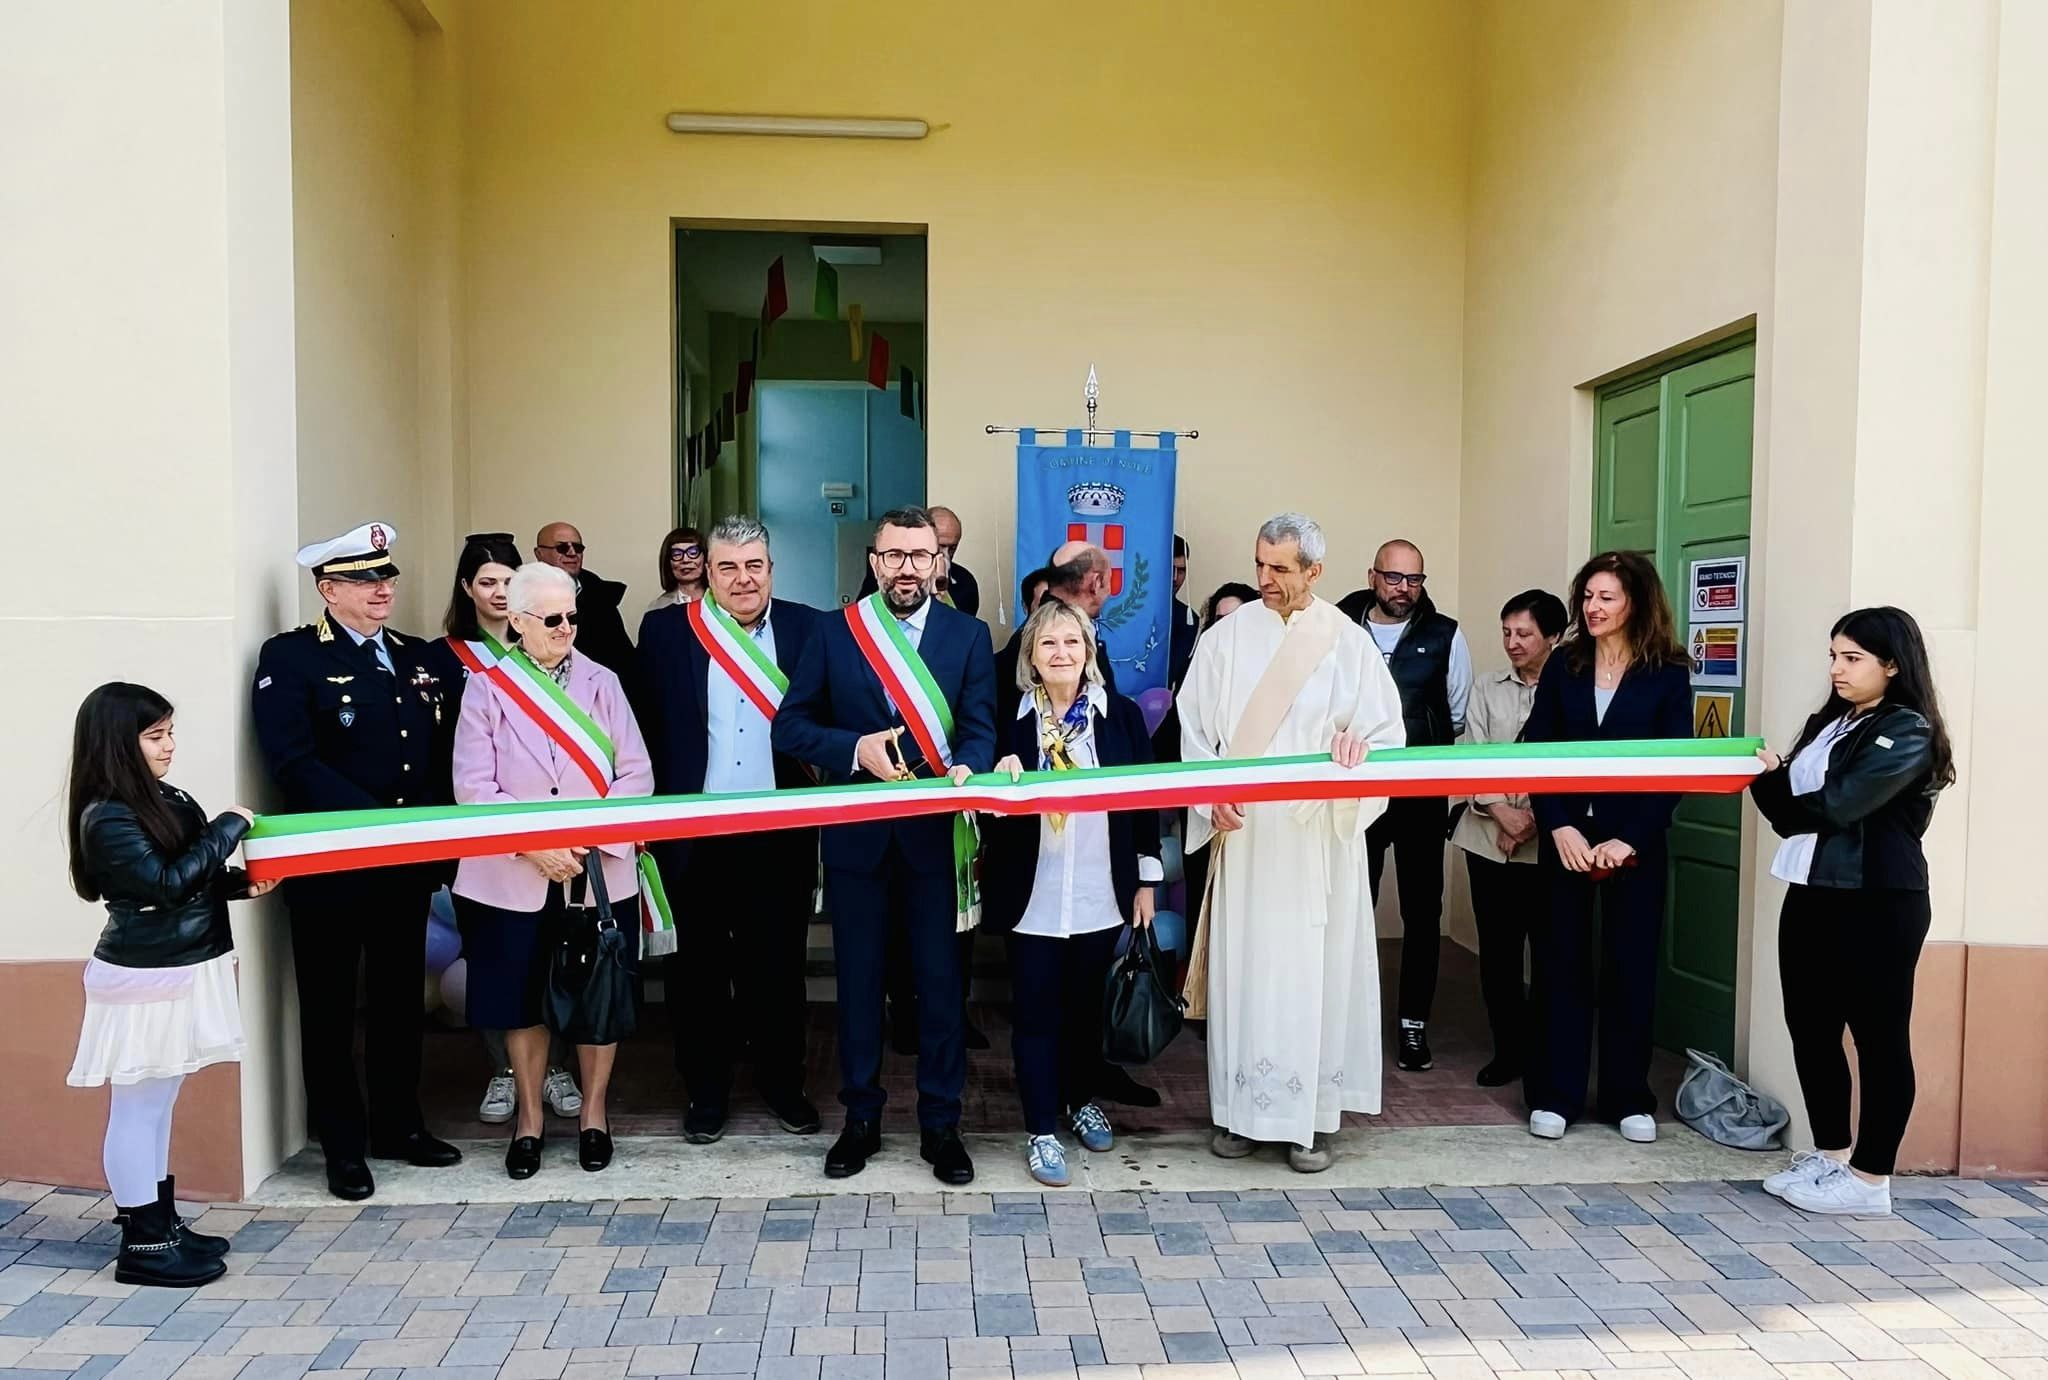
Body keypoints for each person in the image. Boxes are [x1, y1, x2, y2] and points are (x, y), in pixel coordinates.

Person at [774, 505, 997, 1184]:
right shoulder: (835, 631)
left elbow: (981, 729)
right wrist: (854, 749)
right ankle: (861, 1120)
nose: (906, 568)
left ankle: (941, 1124)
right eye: (893, 555)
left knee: (940, 988)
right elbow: (791, 727)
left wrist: (969, 766)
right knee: (860, 987)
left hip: (936, 839)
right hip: (858, 842)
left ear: (939, 563)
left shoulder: (968, 636)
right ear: (874, 562)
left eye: (919, 555)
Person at [1178, 513, 1406, 1172]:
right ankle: (1242, 1114)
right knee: (1248, 973)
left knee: (1313, 975)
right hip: (1248, 838)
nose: (1265, 578)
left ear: (1315, 570)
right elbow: (1194, 731)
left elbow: (1385, 734)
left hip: (1317, 841)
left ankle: (1310, 1120)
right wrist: (1210, 796)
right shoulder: (1224, 639)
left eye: (1280, 568)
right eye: (1260, 564)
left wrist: (1357, 748)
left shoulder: (1347, 642)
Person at [251, 522, 462, 1201]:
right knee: (331, 1008)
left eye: (386, 576)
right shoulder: (293, 657)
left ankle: (399, 1126)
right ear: (328, 589)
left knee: (399, 1001)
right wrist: (375, 825)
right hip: (333, 866)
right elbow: (292, 759)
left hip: (405, 865)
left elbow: (439, 755)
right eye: (365, 579)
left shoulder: (415, 656)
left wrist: (434, 837)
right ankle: (342, 1145)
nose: (382, 589)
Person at [450, 561, 654, 1178]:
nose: (566, 628)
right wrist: (533, 845)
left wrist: (585, 841)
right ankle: (531, 1121)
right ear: (517, 621)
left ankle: (594, 1115)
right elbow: (473, 787)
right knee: (523, 1001)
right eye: (552, 619)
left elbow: (637, 775)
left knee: (598, 999)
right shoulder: (487, 687)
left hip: (597, 873)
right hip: (514, 876)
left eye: (572, 617)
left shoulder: (603, 681)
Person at [1751, 607, 1954, 1217]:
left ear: (1892, 664)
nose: (1837, 669)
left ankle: (1870, 1180)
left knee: (1878, 1038)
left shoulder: (1907, 731)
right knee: (1811, 1030)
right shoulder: (1833, 721)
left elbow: (1836, 805)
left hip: (1878, 900)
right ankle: (1832, 1157)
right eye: (1833, 656)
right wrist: (1775, 780)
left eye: (1852, 658)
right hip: (1813, 889)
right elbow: (1792, 812)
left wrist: (1773, 780)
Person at [65, 684, 266, 1287]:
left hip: (183, 965)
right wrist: (229, 826)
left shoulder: (163, 798)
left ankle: (161, 1224)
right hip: (146, 976)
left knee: (158, 1104)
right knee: (138, 1108)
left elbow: (190, 876)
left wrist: (240, 883)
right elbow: (164, 884)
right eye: (155, 736)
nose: (169, 746)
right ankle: (145, 1245)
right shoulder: (108, 814)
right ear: (117, 744)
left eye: (170, 732)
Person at [635, 515, 822, 1145]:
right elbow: (647, 725)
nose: (743, 579)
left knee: (778, 968)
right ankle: (706, 1092)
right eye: (728, 567)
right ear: (708, 574)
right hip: (695, 833)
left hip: (779, 833)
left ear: (771, 569)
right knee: (697, 973)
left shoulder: (808, 628)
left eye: (754, 566)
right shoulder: (666, 631)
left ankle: (783, 1083)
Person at [981, 601, 1162, 1186]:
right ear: (1031, 658)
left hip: (1098, 890)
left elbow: (1144, 801)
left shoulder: (1121, 717)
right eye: (1048, 644)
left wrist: (1146, 881)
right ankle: (1040, 1129)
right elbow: (982, 804)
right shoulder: (1008, 722)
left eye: (1072, 642)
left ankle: (1081, 1099)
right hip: (1032, 894)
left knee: (1084, 1011)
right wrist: (995, 776)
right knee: (1034, 1014)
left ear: (1089, 652)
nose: (1062, 653)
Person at [1520, 550, 1691, 1144]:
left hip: (1633, 840)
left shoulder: (1668, 671)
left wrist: (1630, 838)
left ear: (1635, 603)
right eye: (1587, 597)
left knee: (1631, 967)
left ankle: (1628, 1097)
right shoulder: (1564, 664)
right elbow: (1537, 753)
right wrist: (1558, 826)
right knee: (1560, 964)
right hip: (1567, 836)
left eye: (1606, 598)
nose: (1592, 608)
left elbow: (1676, 768)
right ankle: (1555, 1095)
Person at [437, 535, 583, 1129]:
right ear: (467, 589)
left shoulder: (586, 669)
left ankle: (557, 1069)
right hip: (494, 852)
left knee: (566, 972)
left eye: (507, 581)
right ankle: (506, 1071)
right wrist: (530, 844)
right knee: (502, 974)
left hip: (573, 855)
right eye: (487, 582)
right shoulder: (451, 661)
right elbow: (467, 774)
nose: (498, 593)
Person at [1336, 540, 1472, 1074]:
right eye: (1393, 578)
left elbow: (1456, 714)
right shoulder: (1339, 627)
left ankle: (1414, 1023)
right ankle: (1348, 1021)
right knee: (1352, 903)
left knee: (1422, 912)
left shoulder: (1446, 635)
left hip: (1420, 793)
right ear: (1372, 576)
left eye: (1414, 579)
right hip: (1356, 792)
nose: (1404, 589)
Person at [1448, 589, 1567, 1087]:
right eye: (1506, 633)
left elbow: (1575, 762)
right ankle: (1508, 1050)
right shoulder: (1486, 687)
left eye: (1524, 634)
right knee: (1498, 953)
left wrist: (1534, 819)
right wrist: (1501, 812)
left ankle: (1546, 1052)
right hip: (1486, 838)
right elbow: (1471, 755)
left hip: (1550, 844)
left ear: (1553, 636)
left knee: (1551, 954)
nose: (1512, 643)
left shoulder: (1572, 688)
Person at [534, 520, 636, 678]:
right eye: (562, 548)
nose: (572, 553)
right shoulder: (521, 600)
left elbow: (624, 663)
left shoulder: (601, 600)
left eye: (578, 548)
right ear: (539, 553)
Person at [857, 504, 981, 616]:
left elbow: (966, 629)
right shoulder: (890, 573)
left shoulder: (965, 582)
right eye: (940, 546)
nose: (945, 555)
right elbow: (865, 618)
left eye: (952, 548)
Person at [647, 526, 707, 611]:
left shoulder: (722, 601)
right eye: (677, 554)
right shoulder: (658, 608)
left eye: (693, 552)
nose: (685, 560)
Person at [1167, 534, 1199, 692]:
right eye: (1171, 569)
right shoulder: (1129, 610)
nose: (1175, 578)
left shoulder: (1188, 619)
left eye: (1181, 571)